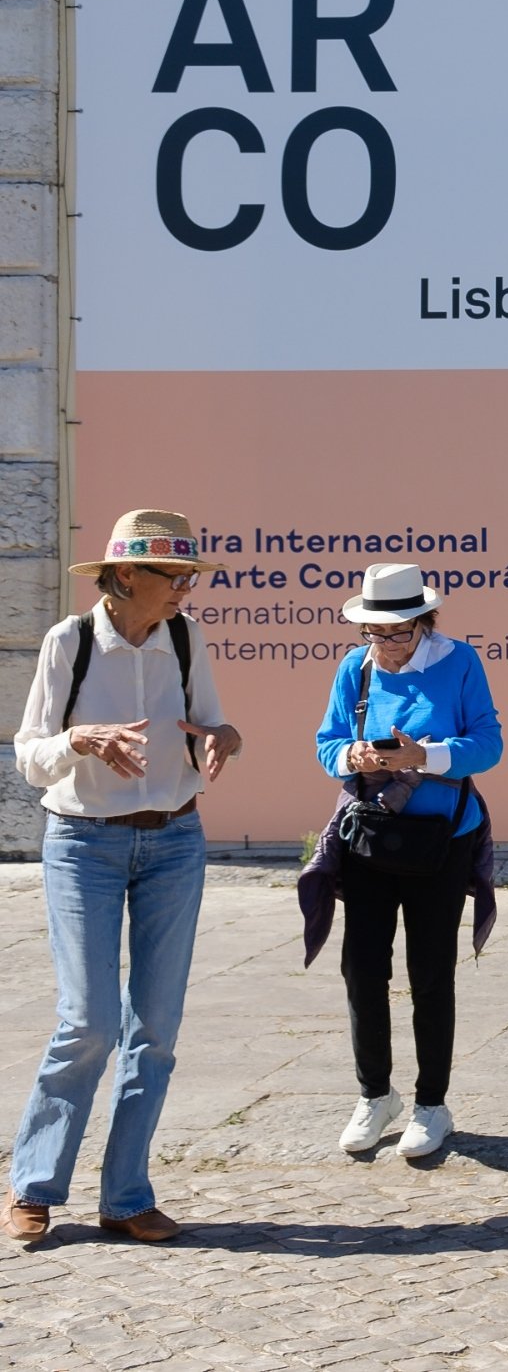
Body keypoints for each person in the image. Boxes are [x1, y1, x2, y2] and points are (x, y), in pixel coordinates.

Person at [5, 511, 239, 1248]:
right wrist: (81, 739)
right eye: (177, 577)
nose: (187, 590)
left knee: (157, 1028)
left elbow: (212, 721)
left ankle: (126, 1193)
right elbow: (30, 754)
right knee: (90, 1020)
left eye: (191, 578)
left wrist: (224, 739)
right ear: (128, 574)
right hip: (83, 844)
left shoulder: (184, 636)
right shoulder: (68, 641)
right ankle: (35, 1185)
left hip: (175, 841)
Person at [312, 563, 504, 1159]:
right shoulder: (355, 668)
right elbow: (326, 745)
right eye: (375, 632)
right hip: (372, 838)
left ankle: (431, 1104)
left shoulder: (460, 662)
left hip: (442, 841)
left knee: (430, 971)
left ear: (424, 622)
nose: (386, 644)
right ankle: (375, 1095)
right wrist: (357, 755)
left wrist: (430, 755)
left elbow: (489, 743)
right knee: (362, 970)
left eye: (397, 632)